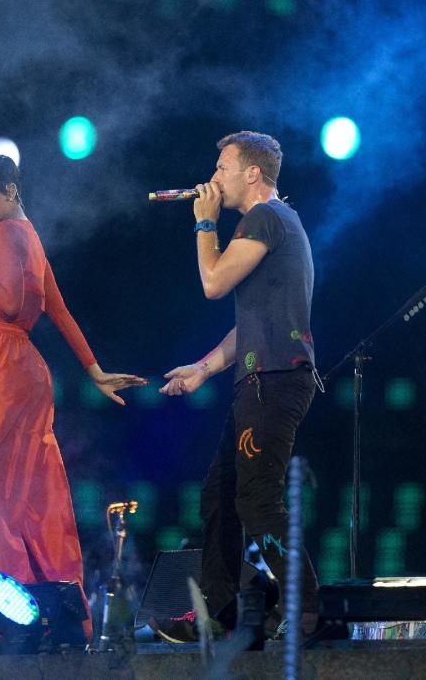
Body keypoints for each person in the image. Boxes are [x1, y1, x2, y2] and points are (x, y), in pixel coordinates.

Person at [0, 155, 147, 639]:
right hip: (17, 369)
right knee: (21, 491)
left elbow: (5, 303)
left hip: (3, 367)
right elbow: (59, 310)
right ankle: (38, 606)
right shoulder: (29, 235)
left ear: (10, 190)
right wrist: (94, 371)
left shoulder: (6, 235)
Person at [156, 131, 320, 640]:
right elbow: (250, 322)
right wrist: (203, 369)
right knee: (220, 495)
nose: (214, 179)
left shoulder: (266, 217)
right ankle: (221, 614)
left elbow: (212, 283)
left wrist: (204, 222)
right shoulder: (268, 224)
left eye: (223, 168)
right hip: (259, 377)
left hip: (275, 380)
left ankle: (305, 609)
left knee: (257, 501)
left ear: (252, 173)